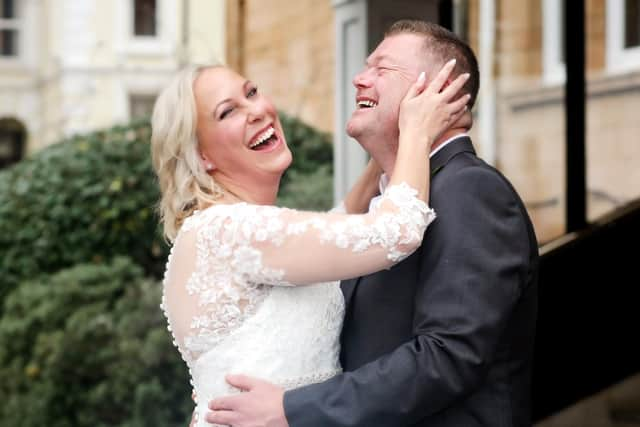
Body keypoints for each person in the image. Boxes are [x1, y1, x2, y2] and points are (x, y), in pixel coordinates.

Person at [205, 20, 539, 427]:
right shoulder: (389, 203)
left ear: (435, 90)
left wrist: (294, 409)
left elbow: (450, 356)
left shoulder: (470, 190)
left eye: (381, 69)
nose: (360, 80)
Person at [150, 57, 470, 426]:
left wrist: (387, 147)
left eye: (252, 92)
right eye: (228, 112)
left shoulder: (227, 230)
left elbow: (340, 220)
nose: (256, 111)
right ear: (201, 156)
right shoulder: (230, 230)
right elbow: (397, 232)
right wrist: (416, 131)